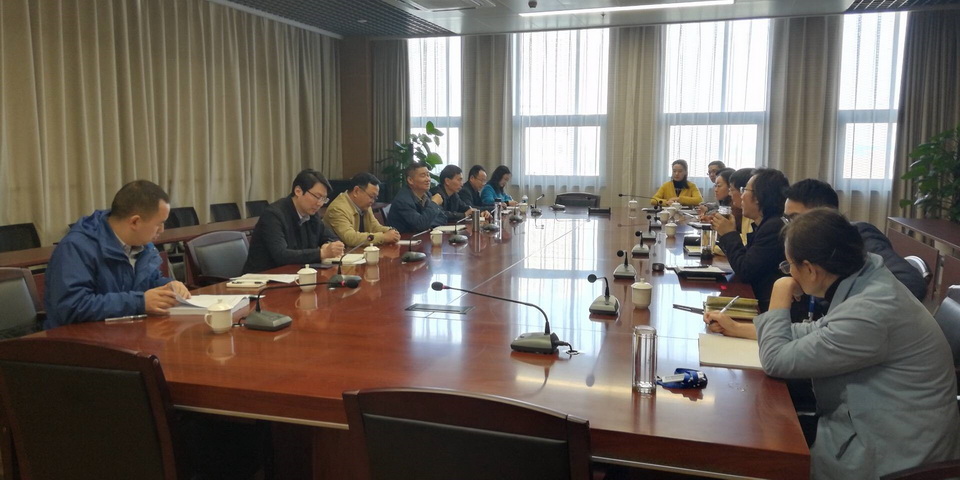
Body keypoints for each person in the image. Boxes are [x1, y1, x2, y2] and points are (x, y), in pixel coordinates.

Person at [706, 209, 960, 478]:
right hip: (876, 426)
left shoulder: (870, 311)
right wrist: (740, 329)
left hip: (893, 456)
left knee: (752, 447)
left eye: (789, 265)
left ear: (810, 270)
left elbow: (775, 360)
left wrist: (780, 290)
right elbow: (817, 332)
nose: (789, 273)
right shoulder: (866, 280)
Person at [43, 180, 191, 329]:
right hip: (77, 338)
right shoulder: (76, 247)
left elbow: (148, 281)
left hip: (123, 331)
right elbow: (71, 307)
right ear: (135, 222)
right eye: (159, 223)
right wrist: (140, 302)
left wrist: (167, 286)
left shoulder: (142, 244)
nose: (162, 230)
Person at [784, 179, 927, 300]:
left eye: (795, 218)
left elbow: (911, 283)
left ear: (825, 212)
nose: (790, 227)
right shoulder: (812, 246)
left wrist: (854, 310)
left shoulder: (859, 236)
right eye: (787, 219)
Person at [712, 169, 789, 311]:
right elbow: (745, 258)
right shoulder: (765, 224)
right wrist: (726, 234)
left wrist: (729, 234)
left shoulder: (773, 228)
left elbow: (745, 271)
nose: (741, 196)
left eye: (744, 190)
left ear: (758, 197)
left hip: (764, 307)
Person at [243, 169, 344, 273]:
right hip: (263, 276)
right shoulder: (273, 215)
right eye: (317, 197)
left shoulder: (312, 215)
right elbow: (281, 255)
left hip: (294, 273)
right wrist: (321, 253)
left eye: (323, 199)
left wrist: (329, 244)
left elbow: (331, 237)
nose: (320, 203)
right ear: (298, 191)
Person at [323, 172, 400, 247]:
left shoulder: (365, 206)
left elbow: (374, 227)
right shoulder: (338, 209)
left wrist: (390, 231)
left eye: (375, 198)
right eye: (371, 196)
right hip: (343, 253)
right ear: (356, 191)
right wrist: (383, 237)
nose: (373, 201)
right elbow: (350, 238)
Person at [387, 161, 447, 233]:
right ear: (410, 180)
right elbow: (420, 225)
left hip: (420, 236)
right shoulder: (403, 201)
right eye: (423, 176)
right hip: (405, 238)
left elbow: (443, 218)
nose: (428, 179)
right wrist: (434, 203)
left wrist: (427, 223)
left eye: (428, 175)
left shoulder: (427, 194)